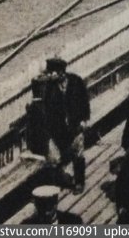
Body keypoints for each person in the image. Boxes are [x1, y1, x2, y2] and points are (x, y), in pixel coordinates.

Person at [42, 57, 90, 193]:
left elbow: (84, 101)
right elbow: (47, 111)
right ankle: (60, 181)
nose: (50, 75)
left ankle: (79, 182)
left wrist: (84, 119)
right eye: (49, 73)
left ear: (61, 72)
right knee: (56, 158)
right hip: (59, 130)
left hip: (76, 126)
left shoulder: (76, 82)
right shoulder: (49, 89)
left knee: (78, 154)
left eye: (52, 72)